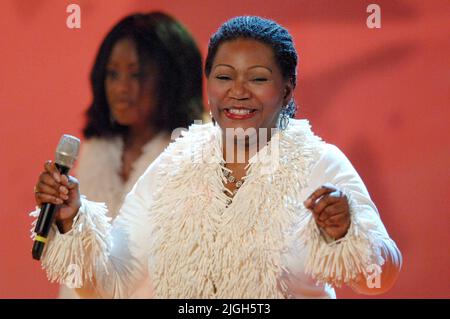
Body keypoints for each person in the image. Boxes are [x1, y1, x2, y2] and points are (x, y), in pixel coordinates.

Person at [31, 16, 402, 298]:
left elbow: (381, 277)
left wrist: (347, 234)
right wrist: (70, 220)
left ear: (287, 89)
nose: (237, 92)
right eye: (224, 77)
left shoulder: (320, 163)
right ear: (208, 84)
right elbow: (112, 282)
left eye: (257, 79)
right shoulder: (175, 162)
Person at [31, 12, 204, 298]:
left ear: (173, 79)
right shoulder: (97, 149)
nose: (121, 88)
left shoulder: (198, 154)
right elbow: (82, 263)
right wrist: (67, 219)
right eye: (112, 74)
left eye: (137, 75)